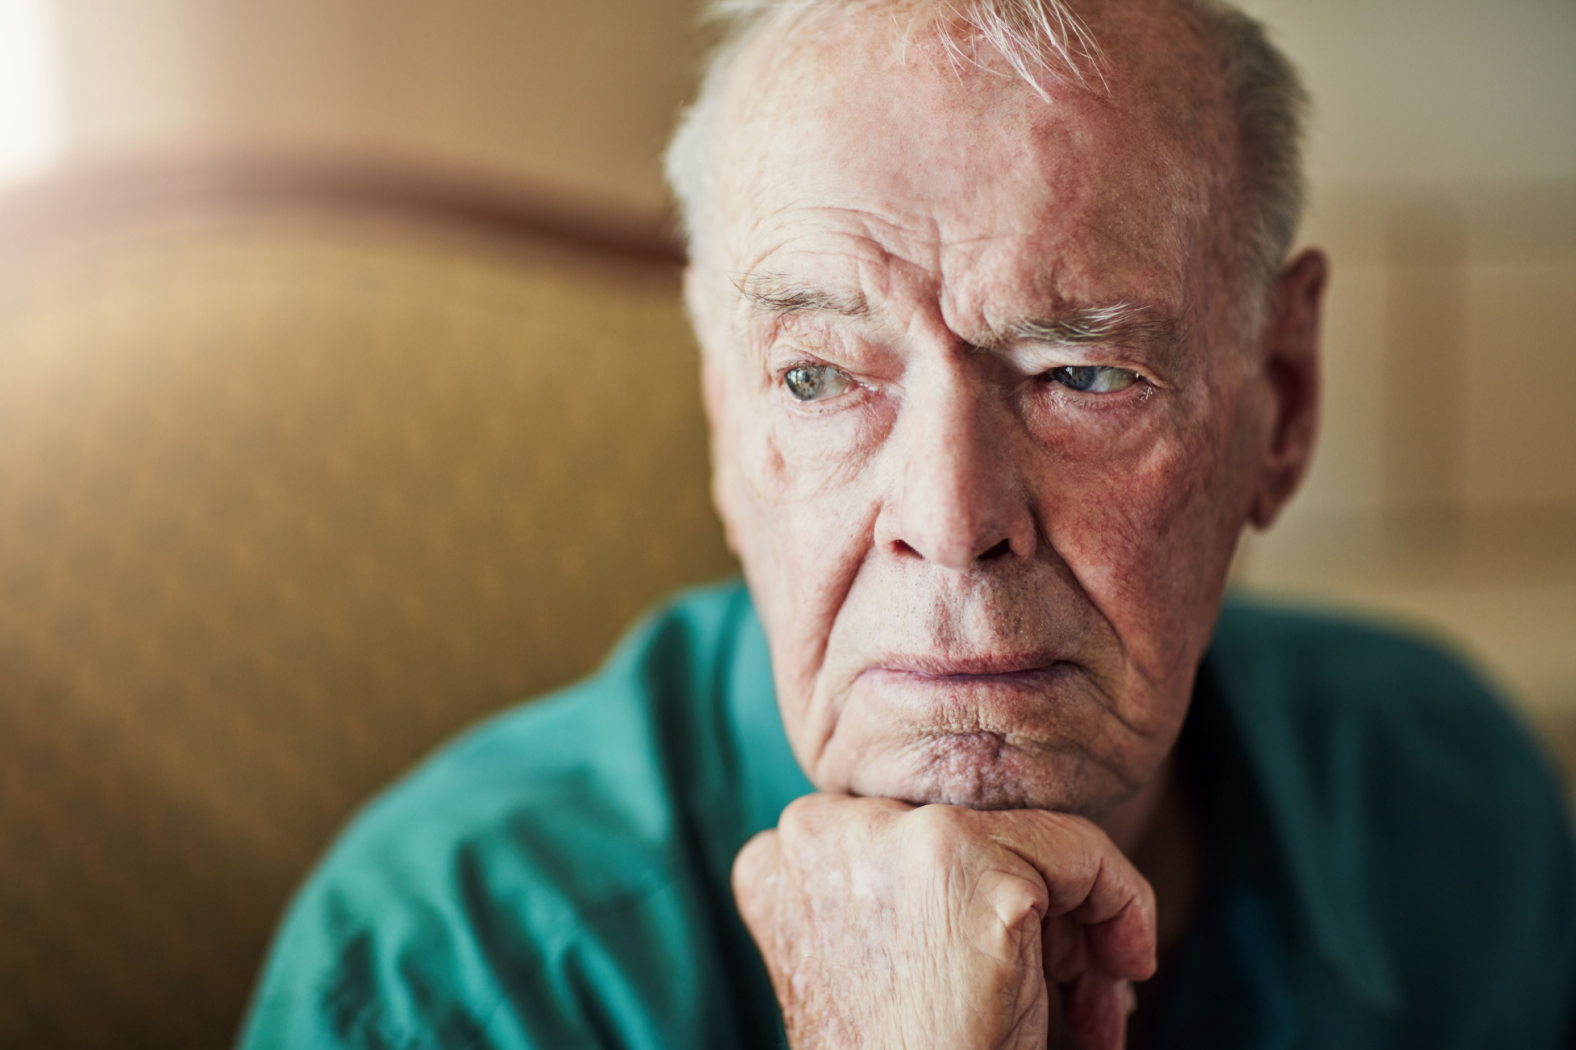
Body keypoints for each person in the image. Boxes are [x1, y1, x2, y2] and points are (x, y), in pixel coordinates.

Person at [238, 0, 1576, 1046]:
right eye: (820, 377)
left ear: (1279, 406)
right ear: (726, 425)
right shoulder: (438, 983)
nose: (949, 522)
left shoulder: (1454, 808)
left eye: (1082, 374)